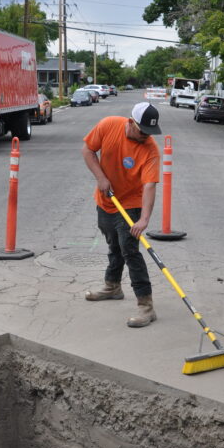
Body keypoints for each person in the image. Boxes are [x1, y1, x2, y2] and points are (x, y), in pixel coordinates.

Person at [81, 102, 162, 327]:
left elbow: (149, 186)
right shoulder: (108, 125)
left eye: (150, 131)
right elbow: (88, 149)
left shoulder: (150, 150)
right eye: (142, 130)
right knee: (114, 244)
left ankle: (146, 306)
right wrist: (101, 178)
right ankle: (113, 286)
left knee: (130, 250)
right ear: (130, 122)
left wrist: (144, 219)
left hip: (131, 203)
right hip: (106, 200)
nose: (146, 135)